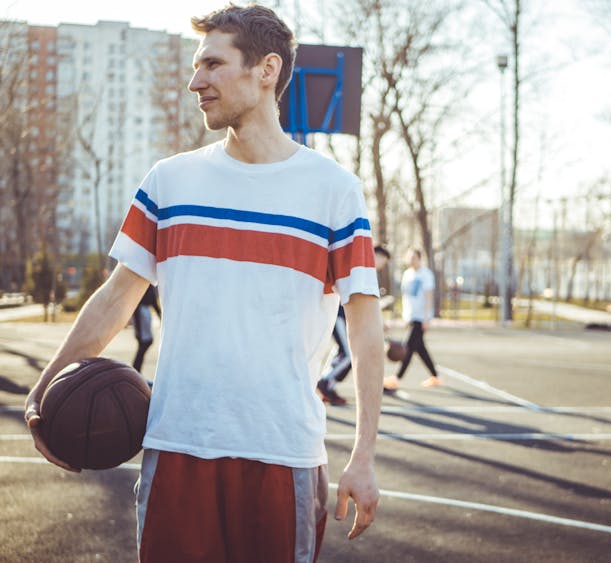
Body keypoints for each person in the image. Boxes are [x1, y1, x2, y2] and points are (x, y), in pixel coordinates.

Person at [24, 5, 383, 562]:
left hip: (282, 451)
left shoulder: (333, 191)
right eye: (196, 67)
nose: (196, 82)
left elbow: (363, 329)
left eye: (213, 65)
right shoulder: (171, 181)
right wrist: (44, 392)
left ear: (266, 71)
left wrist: (363, 453)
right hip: (176, 448)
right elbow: (118, 296)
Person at [317, 245, 391, 406]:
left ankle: (328, 384)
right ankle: (324, 381)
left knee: (342, 352)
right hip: (339, 316)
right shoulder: (362, 269)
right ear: (375, 255)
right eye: (382, 260)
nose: (382, 264)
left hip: (342, 316)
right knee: (349, 354)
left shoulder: (366, 271)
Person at [383, 248, 440, 390]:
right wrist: (405, 316)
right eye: (409, 257)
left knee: (408, 348)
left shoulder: (425, 274)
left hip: (421, 317)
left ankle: (397, 378)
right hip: (411, 316)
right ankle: (435, 376)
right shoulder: (407, 274)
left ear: (420, 259)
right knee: (420, 349)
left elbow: (428, 296)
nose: (411, 260)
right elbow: (406, 297)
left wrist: (426, 318)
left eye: (414, 257)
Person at [132, 284, 161, 373]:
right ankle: (135, 371)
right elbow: (152, 299)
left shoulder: (151, 282)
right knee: (145, 342)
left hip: (143, 309)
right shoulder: (147, 279)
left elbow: (152, 299)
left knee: (145, 342)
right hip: (140, 309)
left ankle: (136, 371)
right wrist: (160, 315)